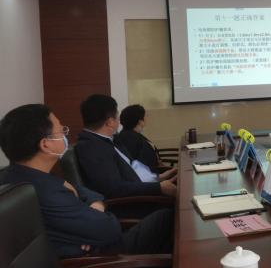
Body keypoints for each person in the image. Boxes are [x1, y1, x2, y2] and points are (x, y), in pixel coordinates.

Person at [0, 104, 173, 258]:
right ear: (46, 144)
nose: (65, 135)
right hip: (103, 263)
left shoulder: (20, 175)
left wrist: (95, 203)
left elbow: (83, 191)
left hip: (91, 245)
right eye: (61, 131)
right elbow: (110, 229)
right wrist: (96, 209)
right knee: (167, 218)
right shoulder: (45, 191)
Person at [76, 94, 177, 199]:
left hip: (143, 188)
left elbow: (132, 168)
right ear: (110, 122)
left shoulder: (110, 139)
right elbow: (114, 188)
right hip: (134, 201)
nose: (119, 121)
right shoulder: (91, 148)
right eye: (117, 117)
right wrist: (158, 188)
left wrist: (157, 178)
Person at [116, 104, 163, 168]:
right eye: (145, 116)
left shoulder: (130, 134)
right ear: (140, 121)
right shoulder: (130, 138)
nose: (147, 118)